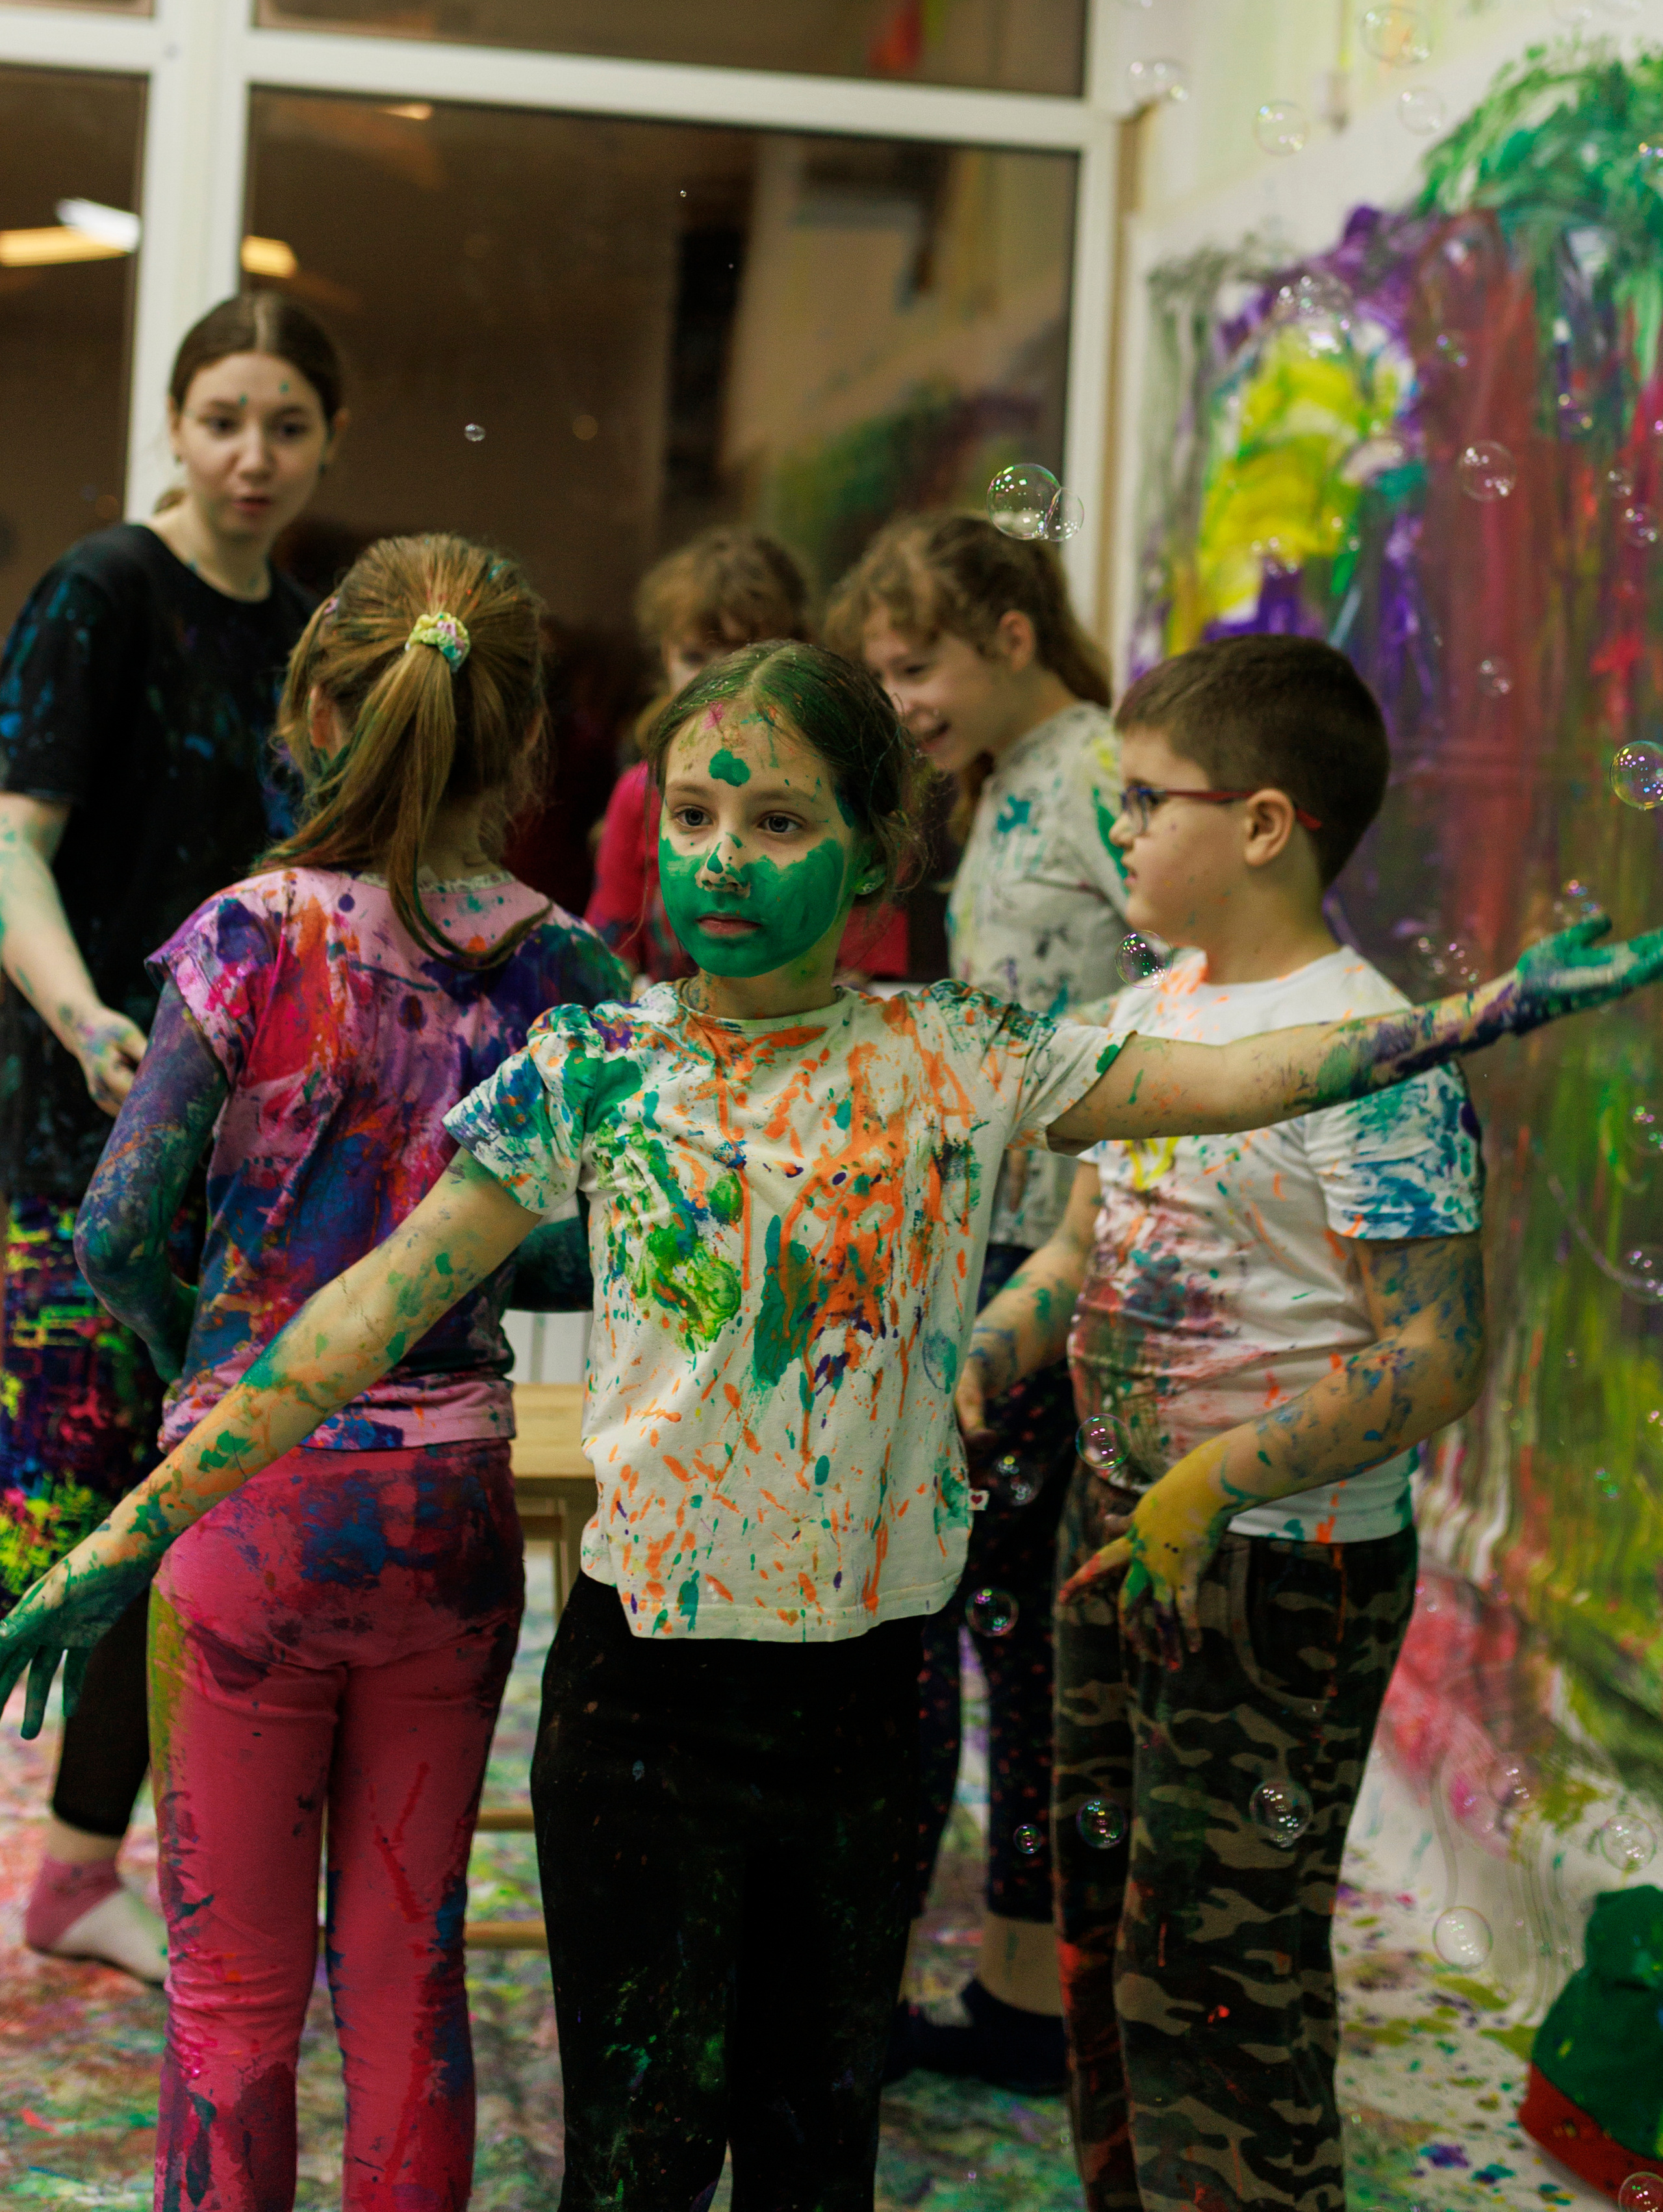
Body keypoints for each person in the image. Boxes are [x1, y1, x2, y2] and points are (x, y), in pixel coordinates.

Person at [0, 640, 1658, 2209]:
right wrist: (138, 1525)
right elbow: (357, 1315)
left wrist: (1483, 1009)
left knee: (815, 2152)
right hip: (642, 1706)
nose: (721, 858)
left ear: (875, 851)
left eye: (779, 821)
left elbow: (1244, 1080)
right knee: (635, 2159)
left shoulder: (966, 1054)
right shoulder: (597, 1065)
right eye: (699, 818)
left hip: (870, 1711)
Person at [68, 535, 628, 2209]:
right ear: (526, 742)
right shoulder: (568, 972)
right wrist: (464, 1264)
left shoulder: (249, 933)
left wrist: (203, 1359)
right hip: (447, 1514)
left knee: (230, 1999)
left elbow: (113, 1227)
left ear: (314, 708)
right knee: (410, 1972)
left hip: (246, 1505)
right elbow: (586, 1261)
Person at [957, 635, 1488, 2212]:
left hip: (1279, 1571)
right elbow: (1072, 1247)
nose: (1110, 827)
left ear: (1262, 824)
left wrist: (1214, 1477)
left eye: (1141, 799)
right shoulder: (1141, 1016)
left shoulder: (1373, 1055)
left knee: (1217, 1974)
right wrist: (993, 1341)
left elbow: (1435, 1351)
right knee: (1105, 1935)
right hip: (1116, 1537)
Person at [0, 291, 345, 1983]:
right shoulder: (102, 592)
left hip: (234, 1150)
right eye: (224, 418)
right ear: (175, 422)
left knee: (167, 1508)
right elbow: (11, 847)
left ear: (327, 439)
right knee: (42, 1514)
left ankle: (77, 1869)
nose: (253, 455)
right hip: (73, 1140)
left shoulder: (306, 633)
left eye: (287, 424)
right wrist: (84, 1027)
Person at [829, 511, 1130, 2089]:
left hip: (1050, 1262)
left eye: (915, 666)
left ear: (1009, 633)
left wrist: (1075, 1230)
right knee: (982, 1600)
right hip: (986, 1247)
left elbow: (1159, 988)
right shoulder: (1002, 784)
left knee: (991, 1609)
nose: (902, 701)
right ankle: (1011, 1972)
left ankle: (1022, 1987)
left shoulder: (1096, 768)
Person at [585, 526, 813, 981]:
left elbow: (859, 967)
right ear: (665, 657)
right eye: (694, 658)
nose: (717, 686)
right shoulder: (640, 793)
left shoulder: (826, 788)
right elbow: (609, 960)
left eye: (742, 658)